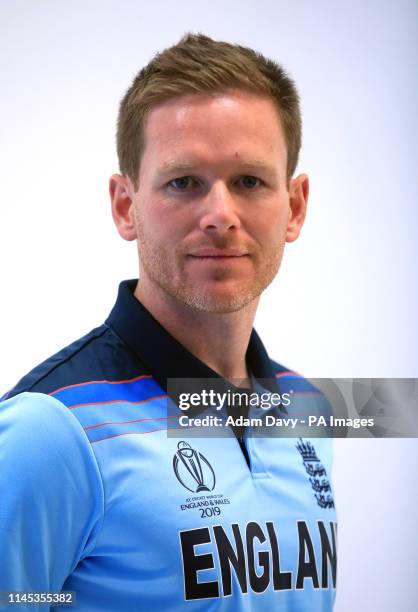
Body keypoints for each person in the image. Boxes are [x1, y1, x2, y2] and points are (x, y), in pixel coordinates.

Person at [0, 33, 337, 610]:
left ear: (295, 206)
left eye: (250, 181)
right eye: (184, 182)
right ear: (125, 206)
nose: (220, 216)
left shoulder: (308, 408)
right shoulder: (50, 432)